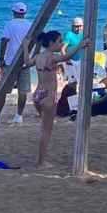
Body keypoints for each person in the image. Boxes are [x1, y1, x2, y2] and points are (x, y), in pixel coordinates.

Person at [29, 30, 68, 166]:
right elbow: (66, 57)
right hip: (48, 95)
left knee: (43, 129)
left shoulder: (38, 56)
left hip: (37, 95)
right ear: (51, 43)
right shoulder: (51, 57)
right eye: (59, 41)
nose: (61, 43)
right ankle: (41, 162)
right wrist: (81, 44)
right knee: (46, 131)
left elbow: (27, 62)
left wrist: (24, 47)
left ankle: (41, 159)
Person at [0, 2, 33, 125]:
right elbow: (33, 40)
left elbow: (4, 40)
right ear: (24, 13)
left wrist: (1, 57)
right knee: (23, 90)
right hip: (24, 61)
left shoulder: (10, 24)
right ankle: (19, 115)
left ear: (14, 12)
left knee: (3, 90)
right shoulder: (29, 25)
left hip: (10, 61)